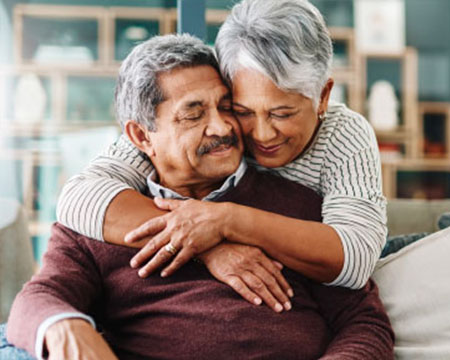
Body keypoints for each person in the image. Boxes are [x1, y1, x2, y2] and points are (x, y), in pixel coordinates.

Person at [6, 34, 394, 360]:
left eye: (227, 107)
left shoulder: (297, 208)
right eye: (193, 115)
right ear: (142, 137)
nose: (222, 126)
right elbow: (35, 300)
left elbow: (364, 323)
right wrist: (66, 329)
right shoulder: (98, 222)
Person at [56, 0, 387, 300]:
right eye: (241, 110)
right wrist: (211, 245)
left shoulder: (343, 135)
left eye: (281, 113)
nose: (261, 134)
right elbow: (79, 197)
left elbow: (356, 259)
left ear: (323, 97)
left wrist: (226, 221)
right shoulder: (214, 129)